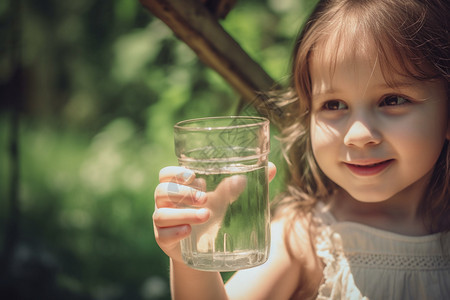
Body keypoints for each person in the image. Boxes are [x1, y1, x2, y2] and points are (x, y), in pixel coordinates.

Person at [152, 0, 450, 298]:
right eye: (333, 105)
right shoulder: (305, 236)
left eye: (393, 100)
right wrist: (191, 258)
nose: (358, 136)